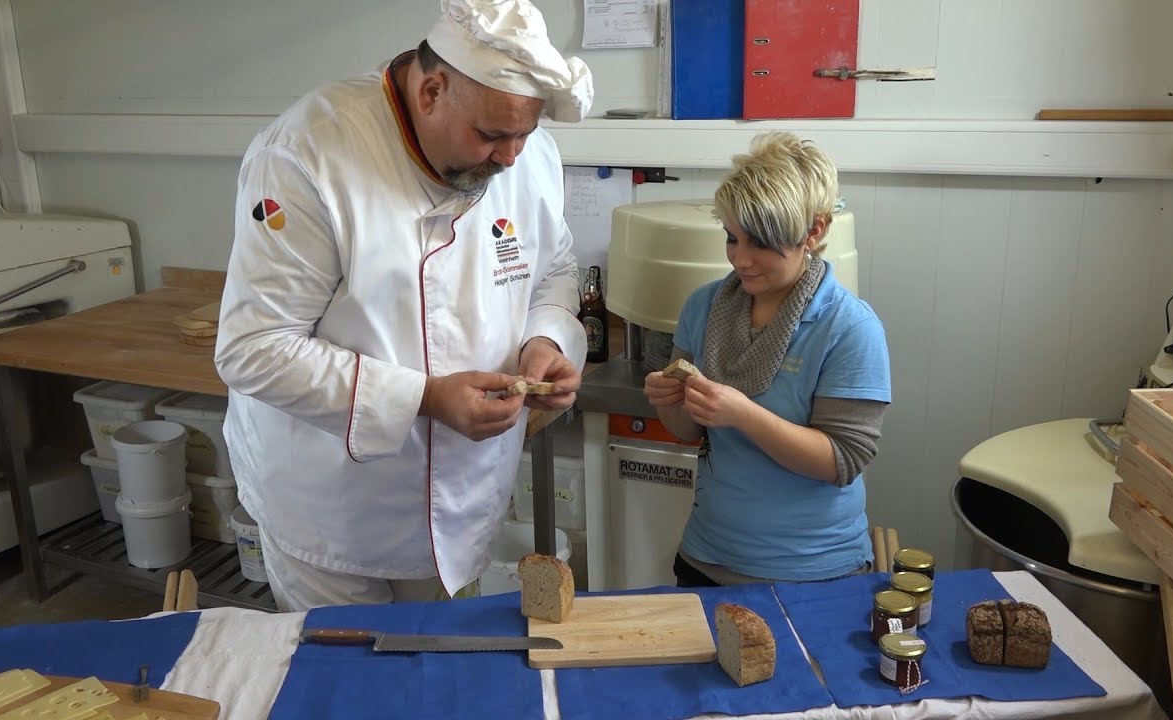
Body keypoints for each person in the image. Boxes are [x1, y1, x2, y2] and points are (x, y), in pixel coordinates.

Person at [213, 0, 594, 611]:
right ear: (432, 91)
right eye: (493, 136)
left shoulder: (527, 153)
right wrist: (425, 398)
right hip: (331, 513)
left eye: (525, 133)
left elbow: (554, 269)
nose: (511, 158)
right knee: (345, 687)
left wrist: (546, 341)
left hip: (465, 497)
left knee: (440, 673)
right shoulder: (306, 154)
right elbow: (253, 349)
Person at [642, 132, 892, 587]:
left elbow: (843, 460)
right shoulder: (704, 307)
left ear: (813, 232)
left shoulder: (850, 328)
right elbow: (686, 431)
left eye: (760, 242)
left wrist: (742, 414)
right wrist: (668, 399)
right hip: (708, 558)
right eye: (732, 238)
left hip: (814, 571)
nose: (741, 259)